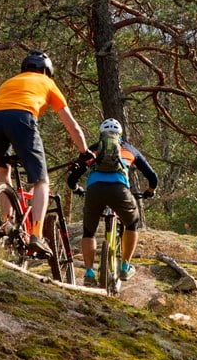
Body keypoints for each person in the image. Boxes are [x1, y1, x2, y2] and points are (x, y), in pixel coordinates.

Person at [0, 50, 91, 257]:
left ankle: (7, 224)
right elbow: (72, 126)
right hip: (21, 118)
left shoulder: (10, 82)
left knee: (3, 172)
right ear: (47, 71)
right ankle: (36, 234)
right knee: (41, 181)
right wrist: (84, 151)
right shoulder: (48, 83)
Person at [67, 118, 158, 284]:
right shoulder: (130, 149)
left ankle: (89, 273)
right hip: (119, 190)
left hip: (94, 191)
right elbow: (153, 176)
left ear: (101, 134)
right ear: (120, 135)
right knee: (132, 223)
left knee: (89, 232)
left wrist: (77, 189)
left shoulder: (92, 151)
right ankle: (125, 267)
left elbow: (72, 179)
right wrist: (150, 191)